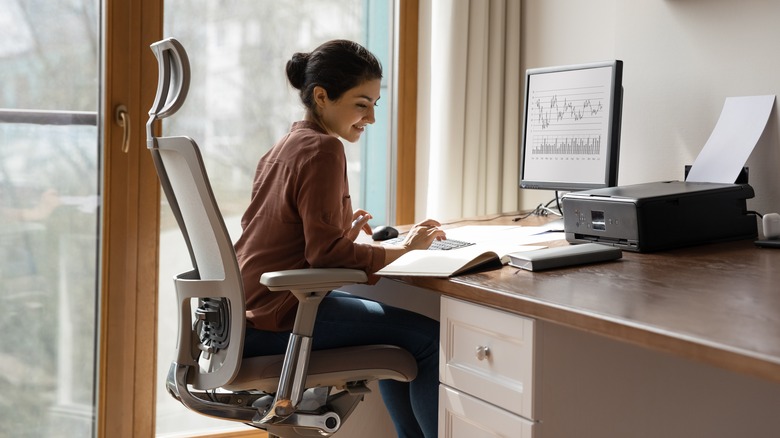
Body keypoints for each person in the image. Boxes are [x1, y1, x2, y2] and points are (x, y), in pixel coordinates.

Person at [234, 39, 444, 438]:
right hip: (281, 316)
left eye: (374, 105)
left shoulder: (285, 145)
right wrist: (403, 248)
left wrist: (342, 236)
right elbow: (324, 252)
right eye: (361, 104)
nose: (371, 119)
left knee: (405, 346)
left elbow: (294, 241)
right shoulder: (325, 148)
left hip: (248, 312)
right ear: (322, 96)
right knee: (430, 341)